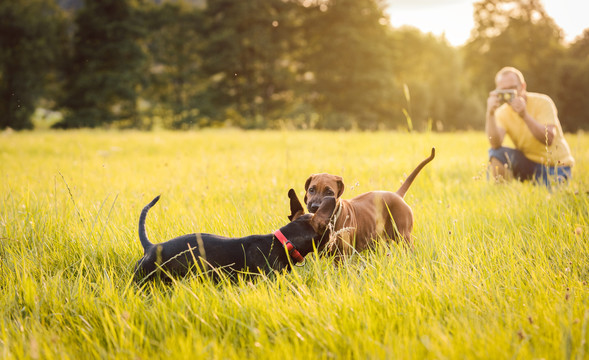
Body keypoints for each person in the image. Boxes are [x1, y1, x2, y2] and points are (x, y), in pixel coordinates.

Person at [485, 66, 574, 186]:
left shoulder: (543, 102)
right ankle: (502, 196)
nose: (508, 94)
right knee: (496, 153)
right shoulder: (501, 113)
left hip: (556, 166)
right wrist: (490, 113)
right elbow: (495, 144)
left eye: (512, 88)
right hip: (528, 163)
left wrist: (524, 115)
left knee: (551, 199)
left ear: (523, 86)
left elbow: (548, 139)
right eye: (503, 90)